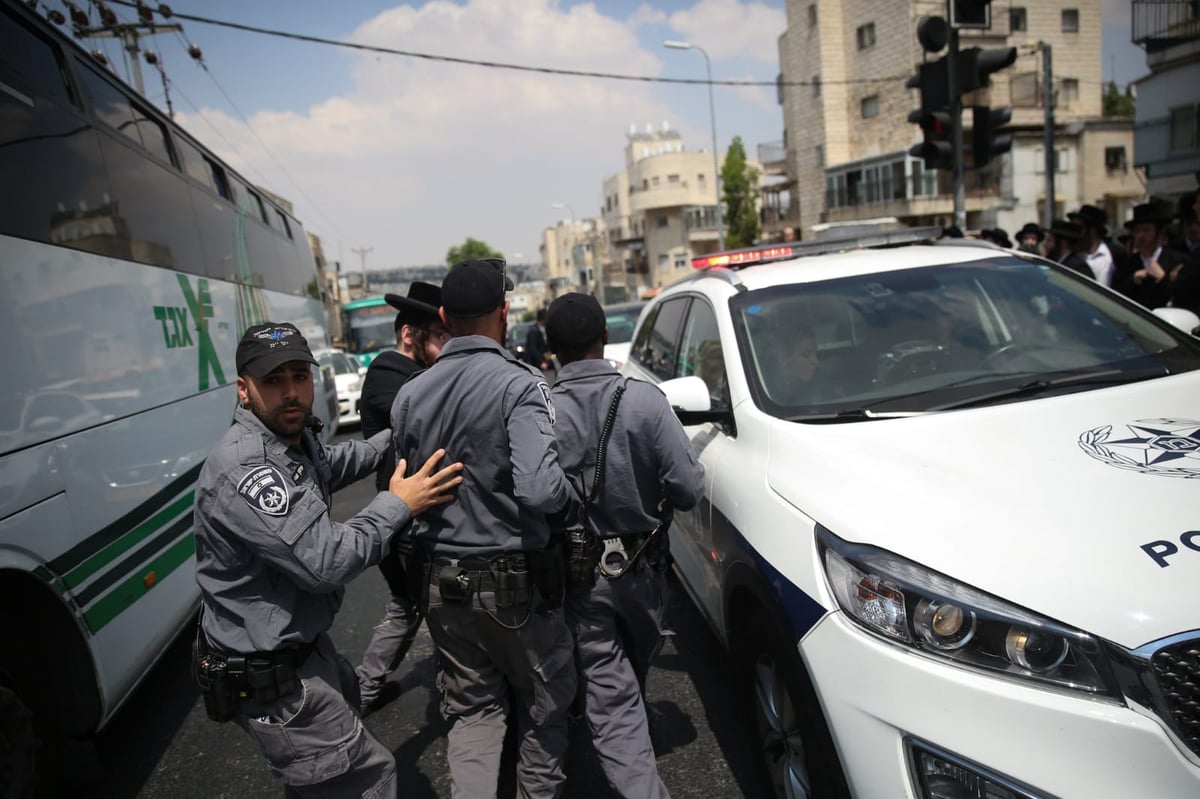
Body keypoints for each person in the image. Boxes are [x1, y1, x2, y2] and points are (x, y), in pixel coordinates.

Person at [191, 322, 463, 799]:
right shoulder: (247, 468)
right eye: (273, 381)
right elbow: (327, 562)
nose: (291, 392)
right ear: (243, 389)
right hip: (273, 677)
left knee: (324, 774)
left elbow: (331, 464)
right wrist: (402, 503)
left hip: (299, 651)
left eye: (300, 376)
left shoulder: (288, 440)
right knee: (368, 781)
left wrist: (400, 433)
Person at [390, 259, 579, 799]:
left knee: (473, 714)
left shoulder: (410, 395)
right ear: (505, 311)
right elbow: (541, 490)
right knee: (544, 709)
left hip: (441, 583)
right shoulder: (520, 384)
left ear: (445, 316)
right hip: (516, 583)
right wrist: (574, 502)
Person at [545, 293, 704, 799]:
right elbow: (687, 488)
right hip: (645, 572)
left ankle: (622, 738)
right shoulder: (645, 400)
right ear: (603, 339)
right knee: (629, 670)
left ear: (551, 350)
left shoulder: (540, 411)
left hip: (580, 576)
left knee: (609, 690)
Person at [355, 281, 451, 713]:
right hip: (401, 519)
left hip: (411, 515)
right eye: (438, 333)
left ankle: (367, 687)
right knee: (429, 607)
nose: (446, 344)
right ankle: (457, 698)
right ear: (409, 334)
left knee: (411, 606)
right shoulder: (387, 374)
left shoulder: (413, 372)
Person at [1112, 203, 1191, 311]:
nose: (1140, 235)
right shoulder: (1126, 262)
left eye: (1146, 230)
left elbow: (1184, 295)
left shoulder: (1176, 260)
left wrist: (1162, 278)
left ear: (1158, 233)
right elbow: (1114, 294)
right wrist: (1133, 279)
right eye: (1137, 230)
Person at [1069, 204, 1117, 285]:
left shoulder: (1114, 254)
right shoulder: (1071, 256)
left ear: (1092, 230)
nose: (1074, 233)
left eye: (1078, 228)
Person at [523, 307, 553, 374]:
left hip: (542, 364)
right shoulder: (534, 331)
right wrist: (541, 362)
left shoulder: (543, 329)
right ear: (543, 319)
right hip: (534, 364)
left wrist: (547, 360)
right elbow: (533, 349)